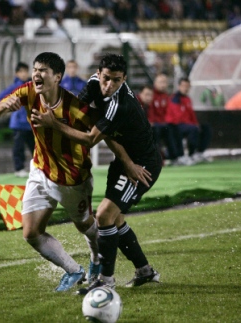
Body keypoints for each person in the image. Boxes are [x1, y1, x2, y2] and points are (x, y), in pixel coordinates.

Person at [31, 53, 162, 294]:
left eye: (116, 80)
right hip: (124, 161)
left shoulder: (118, 105)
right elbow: (77, 112)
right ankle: (145, 271)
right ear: (98, 74)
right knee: (115, 219)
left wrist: (53, 124)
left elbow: (92, 138)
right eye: (105, 78)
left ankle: (105, 281)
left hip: (142, 165)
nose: (108, 85)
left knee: (103, 215)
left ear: (124, 79)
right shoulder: (92, 84)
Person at [0, 52, 100, 292]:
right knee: (31, 232)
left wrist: (55, 124)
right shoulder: (27, 92)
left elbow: (93, 138)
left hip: (72, 178)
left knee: (84, 224)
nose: (36, 74)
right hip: (40, 169)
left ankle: (97, 261)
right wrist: (6, 105)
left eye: (43, 70)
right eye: (35, 69)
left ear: (57, 77)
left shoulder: (74, 107)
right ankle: (74, 271)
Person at [0, 62, 35, 177]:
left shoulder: (32, 86)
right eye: (21, 71)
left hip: (30, 123)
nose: (24, 74)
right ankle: (19, 168)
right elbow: (0, 98)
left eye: (26, 71)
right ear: (17, 73)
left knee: (35, 147)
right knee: (19, 147)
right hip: (18, 124)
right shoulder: (14, 87)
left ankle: (39, 168)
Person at [165, 77, 212, 164]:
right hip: (176, 125)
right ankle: (191, 154)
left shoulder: (187, 99)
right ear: (179, 86)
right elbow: (178, 117)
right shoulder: (174, 99)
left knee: (206, 128)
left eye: (187, 86)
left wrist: (195, 124)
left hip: (187, 124)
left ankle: (199, 152)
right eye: (183, 86)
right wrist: (192, 125)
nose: (185, 88)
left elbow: (191, 114)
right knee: (193, 129)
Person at [149, 73, 182, 165]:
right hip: (154, 124)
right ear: (155, 83)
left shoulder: (166, 97)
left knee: (175, 129)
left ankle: (177, 157)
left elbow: (169, 112)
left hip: (163, 124)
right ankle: (159, 159)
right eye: (161, 82)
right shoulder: (151, 95)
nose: (163, 85)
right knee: (158, 131)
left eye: (165, 82)